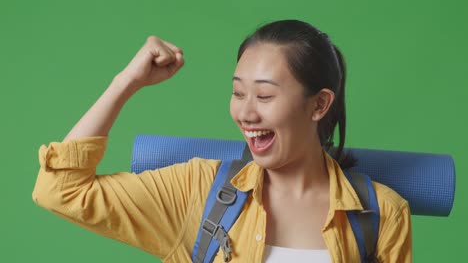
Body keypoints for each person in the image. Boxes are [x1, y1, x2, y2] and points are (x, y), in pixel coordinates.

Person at [32, 20, 412, 262]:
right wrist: (124, 84)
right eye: (238, 93)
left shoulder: (380, 215)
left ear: (319, 105)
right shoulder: (200, 192)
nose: (246, 113)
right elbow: (60, 191)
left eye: (264, 96)